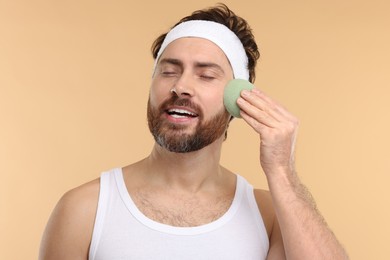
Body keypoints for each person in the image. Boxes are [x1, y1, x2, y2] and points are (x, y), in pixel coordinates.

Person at [39, 4, 348, 259]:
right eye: (169, 70)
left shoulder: (268, 216)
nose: (180, 86)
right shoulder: (85, 209)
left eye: (206, 75)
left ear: (239, 98)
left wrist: (281, 170)